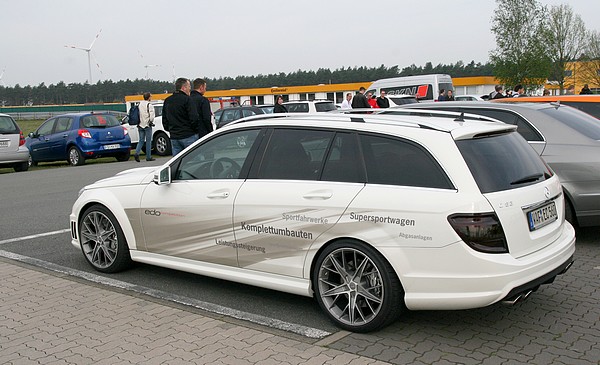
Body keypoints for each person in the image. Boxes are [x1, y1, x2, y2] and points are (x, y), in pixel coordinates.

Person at [162, 77, 199, 156]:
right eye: (189, 87)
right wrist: (195, 130)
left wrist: (170, 130)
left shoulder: (168, 101)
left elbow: (164, 119)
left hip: (174, 136)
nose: (190, 89)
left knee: (177, 162)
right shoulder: (187, 100)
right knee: (194, 160)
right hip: (188, 135)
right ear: (183, 87)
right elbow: (194, 118)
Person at [134, 92, 156, 162]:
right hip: (147, 124)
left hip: (140, 124)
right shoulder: (149, 105)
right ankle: (148, 156)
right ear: (149, 97)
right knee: (148, 141)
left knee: (141, 140)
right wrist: (151, 121)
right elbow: (152, 116)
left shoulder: (139, 104)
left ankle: (137, 152)